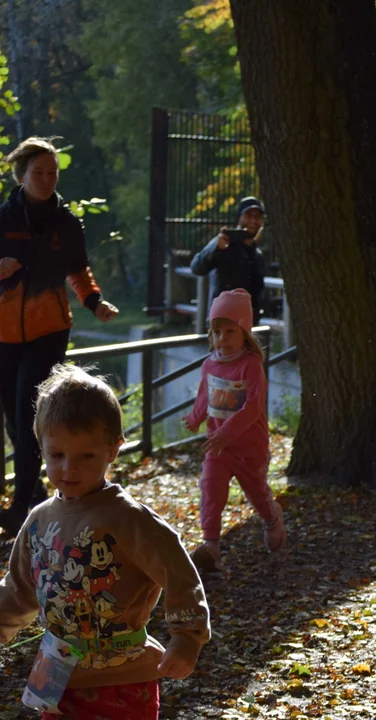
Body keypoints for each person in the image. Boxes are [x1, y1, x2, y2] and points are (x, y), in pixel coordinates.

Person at [0, 365, 210, 719]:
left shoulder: (128, 519)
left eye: (86, 456)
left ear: (113, 450)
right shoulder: (38, 522)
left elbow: (178, 572)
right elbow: (19, 589)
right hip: (56, 679)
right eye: (57, 455)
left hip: (123, 681)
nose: (69, 469)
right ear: (41, 447)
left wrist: (186, 637)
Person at [0, 137, 120, 537]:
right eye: (39, 173)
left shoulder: (67, 223)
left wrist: (95, 303)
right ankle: (32, 495)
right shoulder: (3, 218)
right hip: (3, 333)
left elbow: (79, 271)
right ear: (21, 175)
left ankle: (20, 508)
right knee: (14, 421)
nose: (47, 180)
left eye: (53, 173)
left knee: (26, 411)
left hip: (48, 329)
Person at [183, 289, 285, 573]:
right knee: (211, 488)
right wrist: (195, 417)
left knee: (256, 491)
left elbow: (253, 408)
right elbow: (204, 396)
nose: (222, 339)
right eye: (217, 332)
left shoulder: (251, 365)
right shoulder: (209, 364)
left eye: (230, 331)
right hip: (219, 447)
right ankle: (211, 545)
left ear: (244, 333)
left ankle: (271, 519)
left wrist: (227, 432)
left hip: (248, 446)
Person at [190, 196, 267, 320]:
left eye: (257, 217)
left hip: (247, 324)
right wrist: (216, 248)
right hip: (222, 323)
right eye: (248, 215)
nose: (253, 221)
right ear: (239, 218)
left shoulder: (257, 255)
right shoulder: (223, 243)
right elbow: (196, 268)